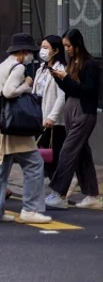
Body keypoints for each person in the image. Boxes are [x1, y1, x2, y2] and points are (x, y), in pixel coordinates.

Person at [0, 33, 52, 224]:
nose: (32, 55)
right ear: (22, 52)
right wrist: (27, 86)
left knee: (0, 167)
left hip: (0, 123)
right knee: (34, 164)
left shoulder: (4, 64)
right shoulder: (18, 67)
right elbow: (9, 92)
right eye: (30, 51)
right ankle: (31, 209)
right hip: (13, 126)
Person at [46, 29, 101, 210]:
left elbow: (88, 91)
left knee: (67, 151)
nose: (67, 49)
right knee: (82, 153)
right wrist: (59, 78)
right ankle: (92, 194)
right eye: (65, 46)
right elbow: (70, 89)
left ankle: (59, 193)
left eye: (69, 45)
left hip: (84, 112)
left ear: (77, 44)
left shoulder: (90, 64)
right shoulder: (72, 62)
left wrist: (66, 79)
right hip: (72, 110)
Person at [35, 35, 66, 178]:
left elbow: (62, 96)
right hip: (39, 116)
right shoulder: (41, 68)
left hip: (53, 120)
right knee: (42, 152)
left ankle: (57, 185)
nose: (42, 51)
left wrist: (52, 117)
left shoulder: (61, 69)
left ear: (56, 50)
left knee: (52, 153)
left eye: (46, 48)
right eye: (42, 47)